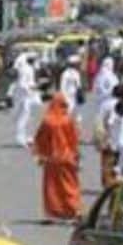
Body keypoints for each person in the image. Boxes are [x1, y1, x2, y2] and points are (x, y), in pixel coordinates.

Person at [33, 93, 82, 221]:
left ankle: (53, 213)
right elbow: (74, 139)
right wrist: (76, 155)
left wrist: (40, 155)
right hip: (67, 157)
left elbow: (40, 139)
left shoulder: (47, 121)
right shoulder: (68, 120)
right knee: (70, 184)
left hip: (52, 158)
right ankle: (74, 210)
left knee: (51, 186)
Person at [11, 52, 41, 148]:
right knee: (23, 118)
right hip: (25, 97)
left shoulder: (29, 69)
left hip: (30, 96)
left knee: (30, 117)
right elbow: (22, 84)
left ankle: (28, 137)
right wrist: (30, 89)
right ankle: (20, 139)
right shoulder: (25, 70)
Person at [59, 54, 84, 125]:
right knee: (67, 113)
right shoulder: (65, 73)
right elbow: (62, 86)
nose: (78, 65)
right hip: (68, 96)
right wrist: (63, 97)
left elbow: (79, 85)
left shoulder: (76, 73)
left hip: (75, 96)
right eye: (77, 63)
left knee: (77, 116)